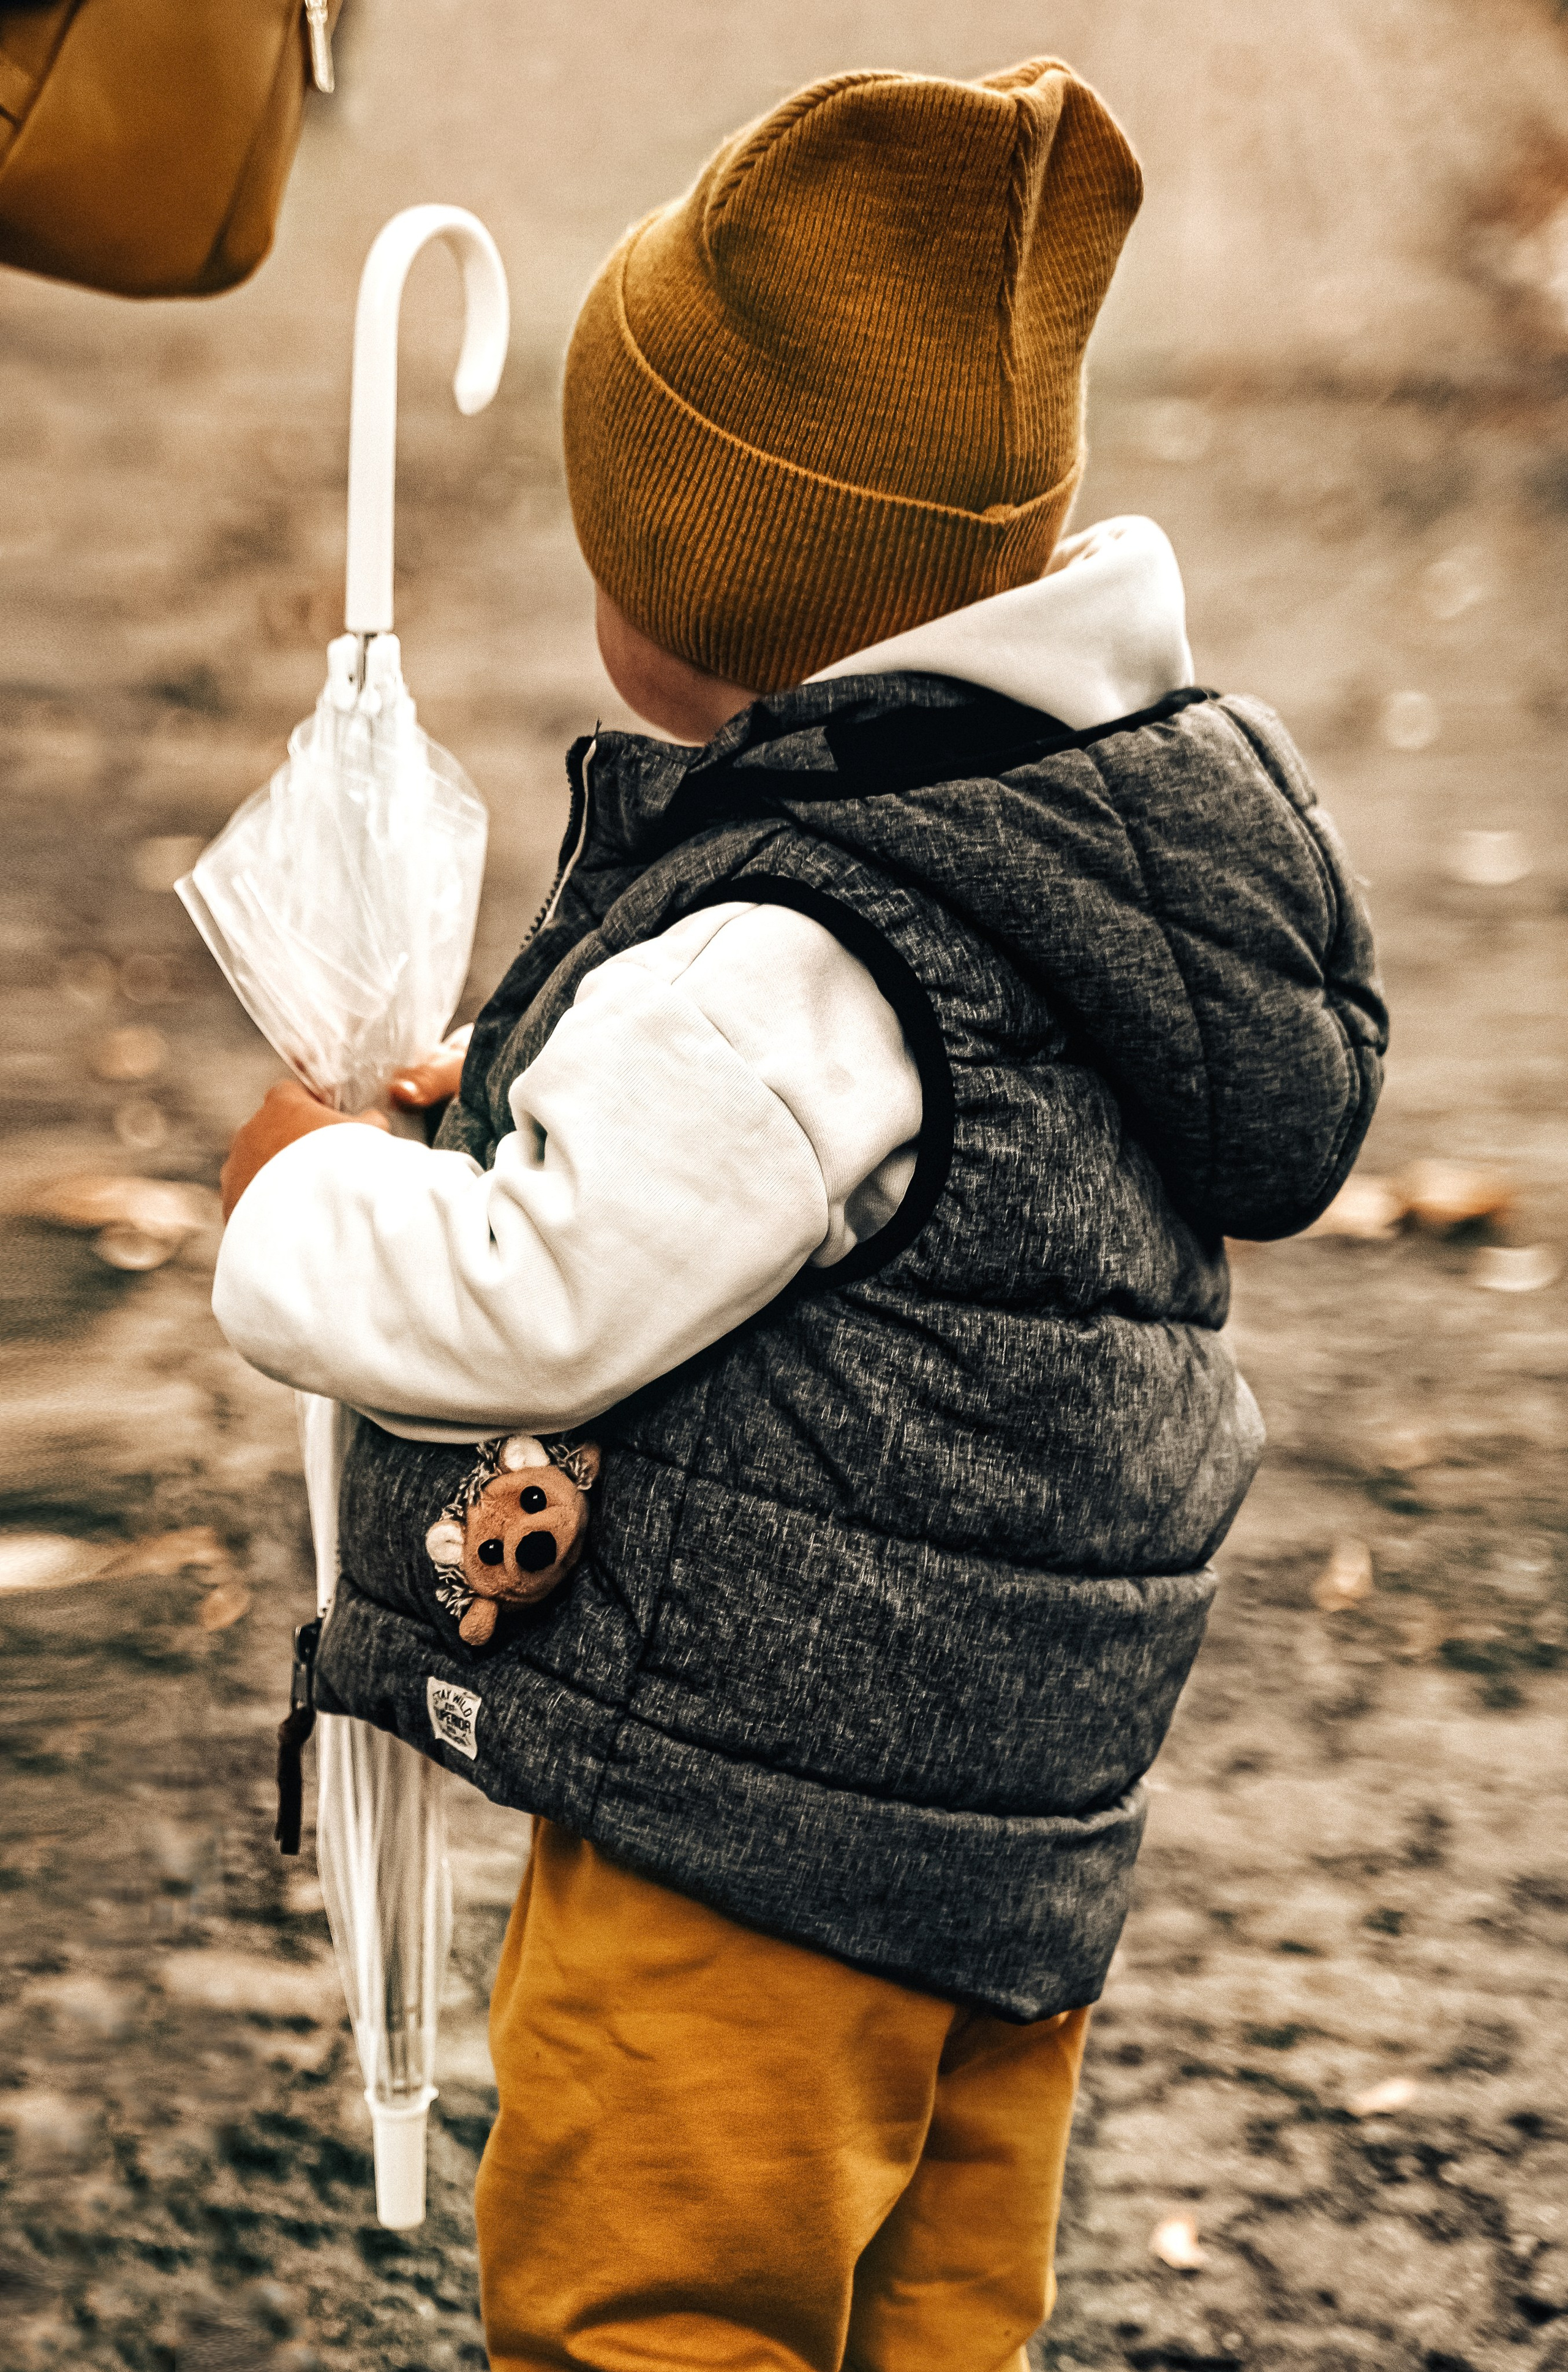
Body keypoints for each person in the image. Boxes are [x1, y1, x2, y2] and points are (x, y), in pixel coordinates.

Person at [213, 56, 1387, 2372]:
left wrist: (313, 1193)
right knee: (930, 2309)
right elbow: (806, 1224)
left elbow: (542, 1297)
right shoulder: (1069, 844)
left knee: (654, 2300)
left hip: (751, 1823)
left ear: (713, 584)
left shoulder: (803, 941)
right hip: (1000, 1836)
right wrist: (542, 1114)